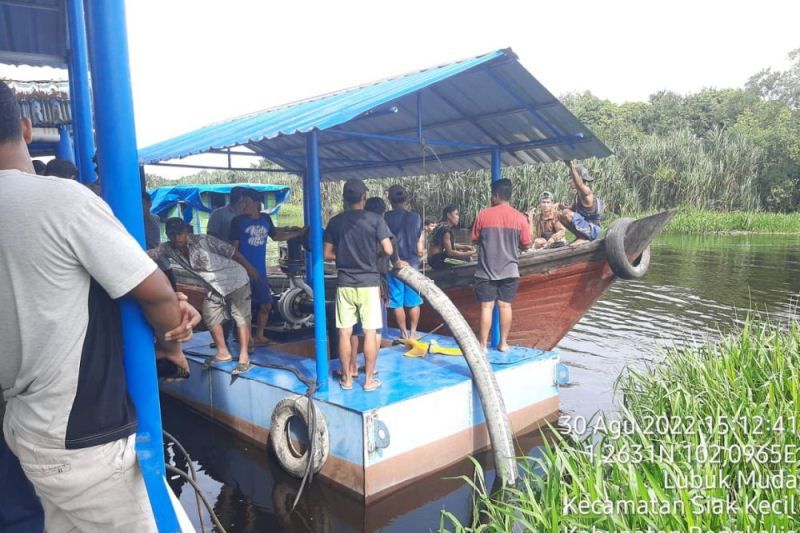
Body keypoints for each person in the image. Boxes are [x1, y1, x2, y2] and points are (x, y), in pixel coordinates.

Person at [0, 80, 198, 531]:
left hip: (28, 428)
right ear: (27, 129)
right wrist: (171, 340)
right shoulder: (61, 200)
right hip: (86, 441)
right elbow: (156, 292)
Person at [148, 218, 255, 375]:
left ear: (186, 232)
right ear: (168, 235)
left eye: (180, 233)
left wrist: (250, 269)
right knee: (209, 315)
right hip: (213, 285)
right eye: (172, 234)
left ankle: (244, 357)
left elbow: (233, 252)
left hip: (235, 279)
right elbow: (149, 255)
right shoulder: (168, 248)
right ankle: (223, 353)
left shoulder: (203, 240)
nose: (177, 238)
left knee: (241, 317)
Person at [323, 180, 397, 392]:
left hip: (345, 283)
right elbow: (389, 249)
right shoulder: (375, 220)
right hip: (369, 283)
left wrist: (343, 256)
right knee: (370, 332)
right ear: (364, 198)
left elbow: (327, 254)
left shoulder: (335, 222)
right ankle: (368, 381)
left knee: (345, 333)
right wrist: (373, 256)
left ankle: (346, 379)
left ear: (344, 199)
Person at [229, 189, 306, 346]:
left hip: (260, 271)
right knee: (244, 308)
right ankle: (245, 339)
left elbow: (276, 236)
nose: (243, 205)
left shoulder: (265, 218)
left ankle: (259, 335)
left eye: (247, 202)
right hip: (241, 272)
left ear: (256, 203)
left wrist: (297, 234)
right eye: (242, 202)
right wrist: (249, 268)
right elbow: (233, 251)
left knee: (266, 305)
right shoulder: (237, 222)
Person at [471, 178, 532, 352]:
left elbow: (475, 239)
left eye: (492, 195)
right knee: (505, 306)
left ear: (496, 195)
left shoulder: (483, 215)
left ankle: (482, 345)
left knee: (486, 307)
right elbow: (526, 244)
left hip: (486, 271)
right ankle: (503, 343)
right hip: (510, 270)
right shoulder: (520, 218)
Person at [384, 184, 425, 339]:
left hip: (395, 264)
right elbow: (419, 245)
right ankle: (414, 332)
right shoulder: (415, 217)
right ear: (406, 199)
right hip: (413, 263)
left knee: (397, 301)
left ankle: (403, 334)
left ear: (389, 199)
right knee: (414, 300)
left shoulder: (386, 217)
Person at [558, 161, 603, 244]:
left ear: (579, 179)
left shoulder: (586, 192)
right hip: (585, 227)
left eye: (571, 178)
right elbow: (571, 210)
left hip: (592, 229)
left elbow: (580, 185)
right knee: (560, 215)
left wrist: (571, 167)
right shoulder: (578, 195)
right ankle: (581, 237)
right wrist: (558, 205)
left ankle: (585, 238)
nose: (569, 182)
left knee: (565, 213)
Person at [427, 204, 475, 269]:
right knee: (468, 260)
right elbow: (450, 253)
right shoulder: (446, 230)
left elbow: (447, 244)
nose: (458, 217)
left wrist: (465, 247)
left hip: (432, 260)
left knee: (462, 255)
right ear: (449, 215)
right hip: (438, 261)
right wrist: (467, 254)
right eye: (456, 214)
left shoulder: (440, 226)